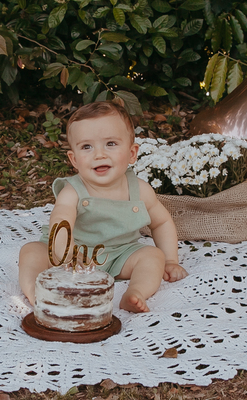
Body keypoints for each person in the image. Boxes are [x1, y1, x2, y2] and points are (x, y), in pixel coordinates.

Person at [18, 101, 188, 312]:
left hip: (120, 255)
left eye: (110, 144)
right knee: (31, 251)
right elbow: (61, 219)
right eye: (87, 147)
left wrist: (170, 259)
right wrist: (65, 252)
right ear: (74, 160)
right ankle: (36, 294)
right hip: (72, 255)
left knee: (153, 257)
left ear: (132, 153)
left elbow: (161, 222)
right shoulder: (73, 191)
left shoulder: (140, 190)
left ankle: (135, 293)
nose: (99, 154)